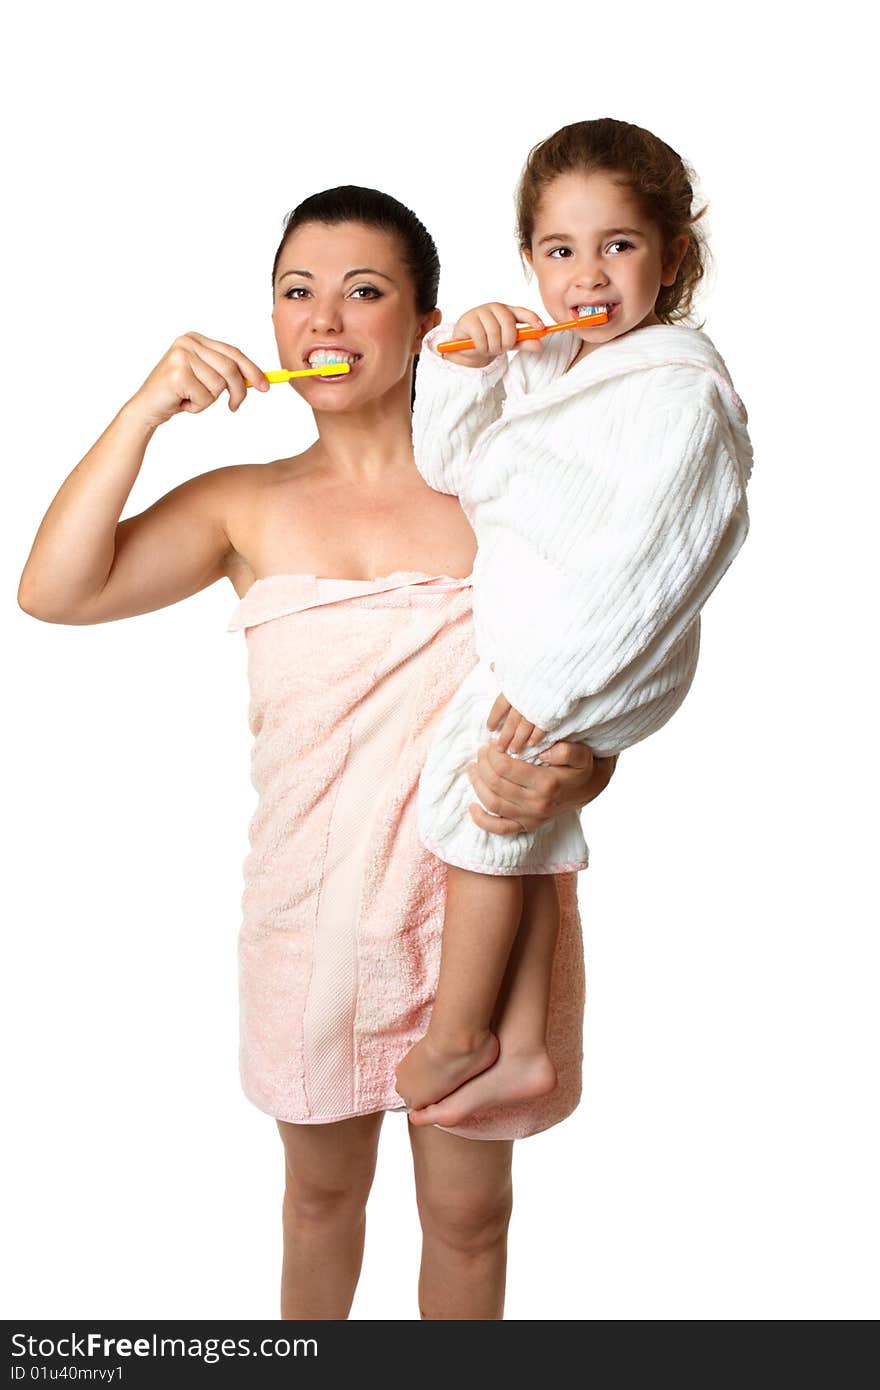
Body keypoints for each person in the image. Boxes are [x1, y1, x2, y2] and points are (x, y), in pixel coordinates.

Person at [17, 185, 618, 1321]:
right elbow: (53, 590)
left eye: (364, 291)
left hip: (478, 919)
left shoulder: (507, 490)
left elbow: (591, 686)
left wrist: (580, 774)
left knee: (469, 1217)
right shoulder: (244, 503)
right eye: (298, 293)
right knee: (317, 1206)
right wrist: (145, 407)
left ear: (425, 319)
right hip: (313, 916)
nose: (325, 321)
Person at [393, 118, 753, 1130]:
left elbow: (656, 560)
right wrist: (464, 363)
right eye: (559, 250)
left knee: (478, 807)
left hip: (579, 655)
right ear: (529, 261)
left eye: (618, 245)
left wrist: (549, 692)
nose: (586, 276)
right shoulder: (560, 366)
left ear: (673, 255)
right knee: (519, 821)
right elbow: (454, 469)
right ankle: (515, 1053)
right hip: (540, 644)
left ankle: (460, 1032)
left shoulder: (679, 395)